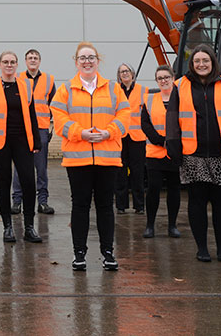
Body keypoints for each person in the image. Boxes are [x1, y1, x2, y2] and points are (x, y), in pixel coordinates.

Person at [165, 44, 221, 263]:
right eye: (197, 61)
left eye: (205, 61)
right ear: (191, 64)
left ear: (212, 62)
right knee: (197, 202)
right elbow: (172, 119)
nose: (201, 65)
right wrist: (174, 148)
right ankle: (201, 248)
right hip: (193, 154)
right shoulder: (179, 85)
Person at [51, 42, 129, 272]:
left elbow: (125, 116)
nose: (87, 61)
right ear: (76, 62)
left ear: (98, 61)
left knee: (106, 206)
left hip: (107, 158)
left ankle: (108, 253)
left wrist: (109, 132)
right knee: (80, 205)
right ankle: (79, 254)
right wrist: (80, 133)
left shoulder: (113, 89)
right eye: (82, 58)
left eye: (91, 57)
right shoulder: (65, 90)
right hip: (78, 159)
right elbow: (59, 118)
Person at [0, 51, 42, 244]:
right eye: (5, 62)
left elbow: (32, 114)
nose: (9, 65)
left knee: (28, 182)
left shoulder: (25, 85)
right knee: (3, 182)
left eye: (12, 62)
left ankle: (29, 227)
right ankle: (7, 227)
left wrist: (37, 141)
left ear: (17, 65)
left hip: (23, 141)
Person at [11, 49, 56, 215]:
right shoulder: (17, 78)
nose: (33, 60)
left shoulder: (49, 80)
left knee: (41, 168)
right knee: (19, 167)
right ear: (25, 61)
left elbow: (54, 105)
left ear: (39, 61)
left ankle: (42, 202)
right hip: (21, 129)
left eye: (35, 57)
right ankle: (17, 202)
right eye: (30, 58)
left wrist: (51, 127)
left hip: (42, 129)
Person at [139, 65, 182, 239]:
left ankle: (172, 225)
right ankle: (150, 225)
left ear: (173, 78)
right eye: (160, 78)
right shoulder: (149, 99)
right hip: (155, 153)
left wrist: (172, 142)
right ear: (156, 81)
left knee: (174, 190)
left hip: (174, 153)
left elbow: (185, 122)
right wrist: (160, 140)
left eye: (166, 77)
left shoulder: (181, 99)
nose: (163, 81)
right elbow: (145, 123)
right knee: (154, 189)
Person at [114, 63, 147, 215]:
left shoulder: (143, 91)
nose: (125, 74)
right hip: (120, 136)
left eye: (127, 71)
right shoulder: (114, 91)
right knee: (120, 172)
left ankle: (139, 206)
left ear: (133, 74)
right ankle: (121, 205)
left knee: (137, 172)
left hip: (137, 137)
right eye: (122, 72)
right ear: (119, 76)